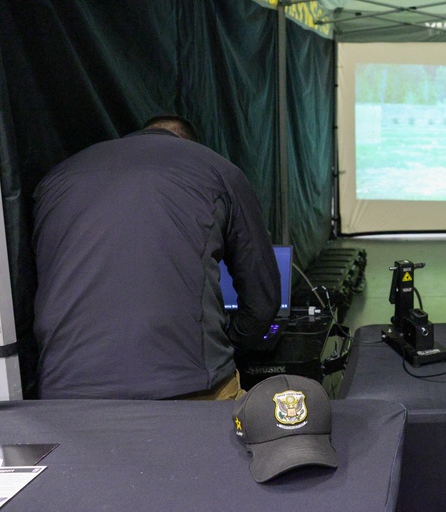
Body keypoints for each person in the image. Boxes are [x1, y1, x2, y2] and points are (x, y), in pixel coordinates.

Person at [32, 115, 280, 400]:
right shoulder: (218, 170)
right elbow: (262, 301)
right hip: (187, 385)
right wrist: (226, 345)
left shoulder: (57, 177)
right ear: (188, 143)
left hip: (64, 392)